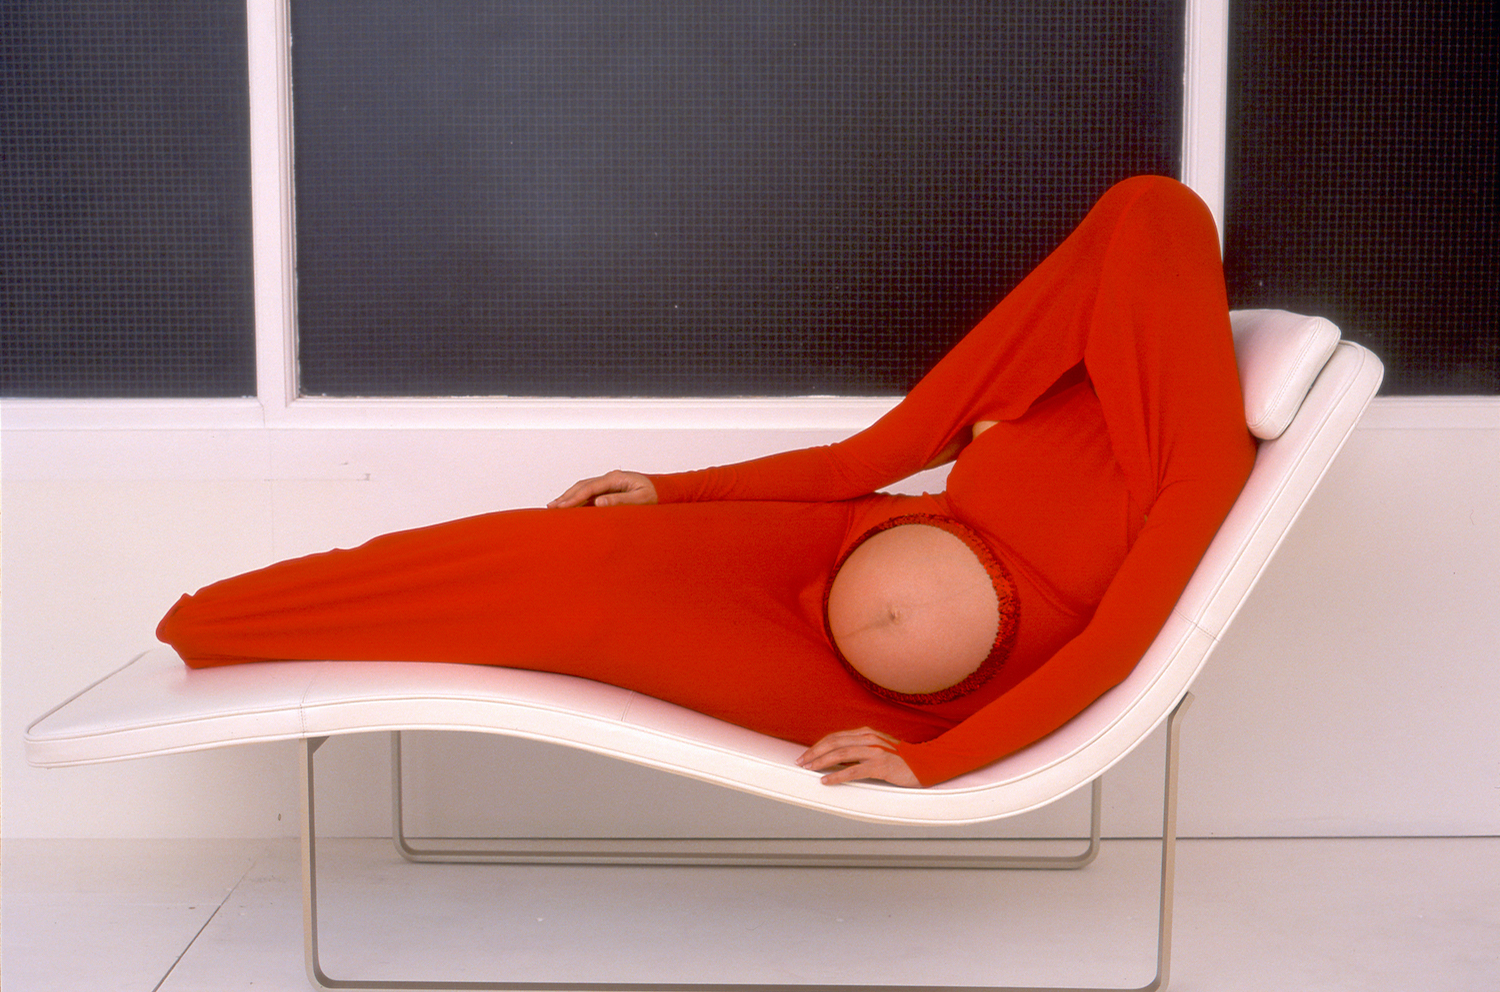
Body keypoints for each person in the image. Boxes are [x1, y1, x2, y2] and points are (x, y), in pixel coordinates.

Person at [156, 175, 1256, 789]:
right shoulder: (1052, 373)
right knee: (564, 554)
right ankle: (220, 623)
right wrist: (673, 491)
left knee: (576, 615)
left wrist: (942, 763)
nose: (1097, 282)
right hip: (825, 545)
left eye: (1123, 277)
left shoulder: (1197, 469)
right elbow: (872, 457)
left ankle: (230, 625)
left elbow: (1120, 652)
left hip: (881, 700)